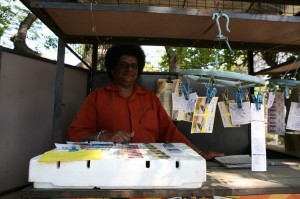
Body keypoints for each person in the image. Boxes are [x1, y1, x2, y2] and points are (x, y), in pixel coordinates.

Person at [68, 44, 223, 160]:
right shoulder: (97, 97)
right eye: (123, 65)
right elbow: (76, 133)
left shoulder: (150, 98)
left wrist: (199, 153)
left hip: (149, 166)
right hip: (109, 166)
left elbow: (170, 132)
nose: (129, 69)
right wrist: (104, 136)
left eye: (134, 66)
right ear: (112, 69)